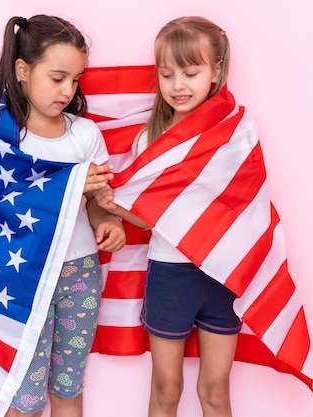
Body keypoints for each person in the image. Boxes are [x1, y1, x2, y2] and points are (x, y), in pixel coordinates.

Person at [0, 14, 125, 417]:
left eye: (76, 79)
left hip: (79, 272)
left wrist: (109, 221)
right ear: (22, 70)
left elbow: (98, 199)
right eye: (57, 77)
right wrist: (70, 184)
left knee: (69, 385)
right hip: (23, 280)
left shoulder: (84, 134)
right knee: (25, 393)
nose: (68, 90)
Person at [95, 16, 246, 417]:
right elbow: (151, 217)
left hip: (220, 272)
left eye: (190, 72)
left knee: (215, 389)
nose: (178, 85)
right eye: (167, 74)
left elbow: (245, 205)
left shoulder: (234, 132)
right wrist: (115, 207)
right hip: (170, 273)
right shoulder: (152, 138)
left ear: (215, 71)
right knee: (167, 387)